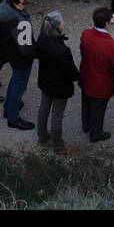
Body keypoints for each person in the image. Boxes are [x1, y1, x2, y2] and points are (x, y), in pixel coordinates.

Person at [35, 11, 79, 153]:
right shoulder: (62, 50)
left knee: (43, 109)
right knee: (57, 116)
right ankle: (58, 146)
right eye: (62, 21)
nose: (63, 23)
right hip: (60, 87)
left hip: (45, 82)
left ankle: (42, 137)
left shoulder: (41, 39)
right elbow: (72, 73)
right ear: (57, 27)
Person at [78, 7, 114, 143]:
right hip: (101, 84)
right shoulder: (111, 45)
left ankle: (86, 126)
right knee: (98, 109)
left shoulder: (85, 34)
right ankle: (95, 134)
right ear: (107, 24)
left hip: (86, 77)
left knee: (86, 103)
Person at [0, 0, 36, 130]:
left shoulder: (6, 6)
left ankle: (9, 107)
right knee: (19, 86)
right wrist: (36, 53)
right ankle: (13, 117)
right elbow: (26, 48)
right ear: (21, 0)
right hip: (21, 58)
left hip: (11, 52)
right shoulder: (19, 22)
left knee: (15, 81)